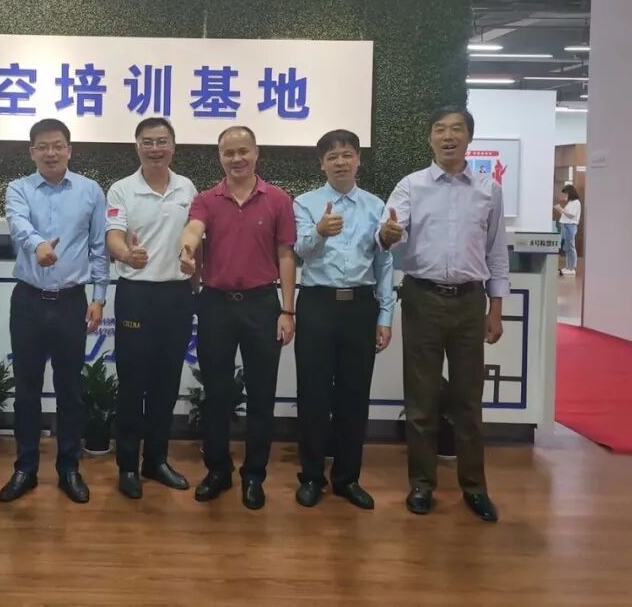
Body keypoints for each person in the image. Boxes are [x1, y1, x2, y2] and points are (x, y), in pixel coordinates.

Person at [378, 105, 508, 522]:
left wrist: (496, 309)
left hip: (470, 301)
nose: (448, 136)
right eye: (440, 129)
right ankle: (422, 484)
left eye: (456, 129)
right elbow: (388, 233)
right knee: (422, 399)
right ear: (430, 138)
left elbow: (496, 252)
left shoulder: (488, 189)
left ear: (469, 137)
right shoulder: (411, 186)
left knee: (469, 400)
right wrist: (388, 234)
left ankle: (475, 488)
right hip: (423, 298)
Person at [178, 126, 296, 510]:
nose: (236, 159)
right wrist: (187, 250)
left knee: (262, 395)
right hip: (215, 304)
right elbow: (193, 229)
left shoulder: (278, 199)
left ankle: (254, 475)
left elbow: (286, 256)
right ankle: (218, 470)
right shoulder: (206, 199)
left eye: (243, 151)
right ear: (220, 157)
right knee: (217, 395)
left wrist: (287, 309)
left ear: (256, 152)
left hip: (263, 305)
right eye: (228, 153)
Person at [0, 119, 108, 504]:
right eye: (43, 146)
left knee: (70, 390)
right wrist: (38, 245)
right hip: (28, 300)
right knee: (26, 390)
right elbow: (18, 224)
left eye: (58, 145)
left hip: (71, 301)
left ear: (69, 150)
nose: (51, 153)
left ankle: (69, 468)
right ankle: (25, 468)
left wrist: (99, 297)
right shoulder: (18, 188)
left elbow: (99, 247)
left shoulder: (90, 191)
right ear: (32, 152)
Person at [292, 130, 394, 510]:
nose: (340, 162)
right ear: (322, 164)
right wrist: (319, 232)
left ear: (358, 160)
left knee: (354, 394)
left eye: (347, 154)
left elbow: (384, 263)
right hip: (317, 304)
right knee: (313, 394)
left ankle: (348, 478)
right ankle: (311, 476)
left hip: (360, 307)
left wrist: (385, 315)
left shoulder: (375, 205)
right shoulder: (305, 203)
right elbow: (300, 251)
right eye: (332, 156)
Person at [106, 118, 197, 499]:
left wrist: (194, 267)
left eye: (162, 141)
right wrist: (126, 254)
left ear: (173, 146)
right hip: (136, 294)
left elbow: (195, 236)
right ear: (137, 146)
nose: (155, 148)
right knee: (132, 384)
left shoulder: (187, 188)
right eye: (148, 142)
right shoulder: (122, 189)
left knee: (166, 382)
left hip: (176, 296)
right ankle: (128, 465)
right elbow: (113, 236)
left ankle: (156, 460)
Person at [553, 184, 582, 276]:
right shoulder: (570, 203)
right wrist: (559, 209)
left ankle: (571, 268)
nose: (565, 196)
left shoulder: (576, 202)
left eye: (566, 194)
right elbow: (566, 215)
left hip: (570, 226)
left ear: (570, 193)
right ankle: (568, 266)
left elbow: (571, 215)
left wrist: (561, 209)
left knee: (570, 247)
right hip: (565, 225)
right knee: (567, 247)